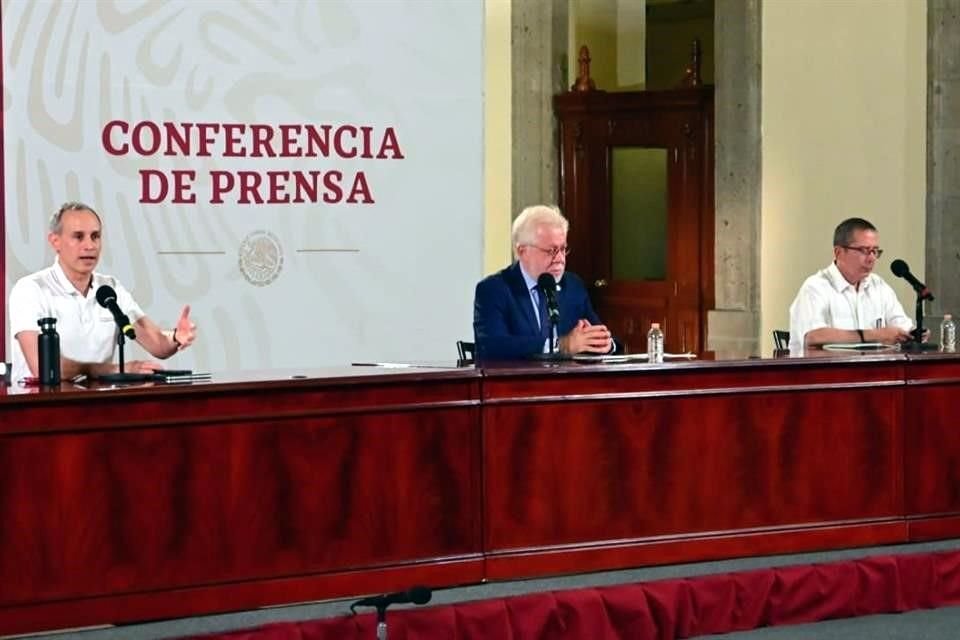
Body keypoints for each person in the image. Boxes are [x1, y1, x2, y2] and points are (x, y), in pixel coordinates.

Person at [8, 201, 197, 382]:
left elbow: (158, 344)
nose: (90, 246)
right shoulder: (31, 289)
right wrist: (109, 370)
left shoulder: (110, 289)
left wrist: (175, 337)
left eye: (95, 236)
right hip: (40, 407)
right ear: (55, 241)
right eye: (78, 236)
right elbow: (43, 367)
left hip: (99, 406)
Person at [473, 204, 615, 360]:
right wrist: (560, 345)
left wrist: (603, 343)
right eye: (551, 251)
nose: (560, 259)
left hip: (568, 382)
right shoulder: (494, 290)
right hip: (517, 383)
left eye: (563, 249)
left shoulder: (573, 285)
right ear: (522, 251)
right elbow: (493, 346)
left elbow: (599, 333)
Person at [788, 217, 916, 351]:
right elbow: (814, 337)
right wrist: (874, 335)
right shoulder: (815, 287)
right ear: (838, 252)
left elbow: (902, 326)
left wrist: (913, 334)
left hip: (872, 369)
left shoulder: (878, 286)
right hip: (825, 370)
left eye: (875, 251)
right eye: (864, 250)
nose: (872, 258)